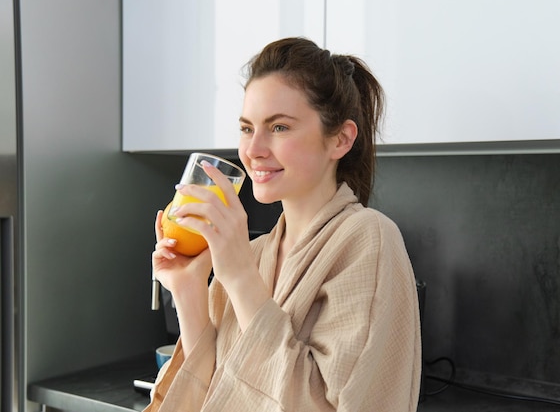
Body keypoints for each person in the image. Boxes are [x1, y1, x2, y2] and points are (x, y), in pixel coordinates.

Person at [146, 37, 421, 412]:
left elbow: (326, 405)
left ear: (340, 139)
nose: (254, 149)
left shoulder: (369, 238)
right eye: (246, 128)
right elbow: (213, 398)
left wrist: (240, 276)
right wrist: (190, 290)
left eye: (279, 128)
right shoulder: (253, 253)